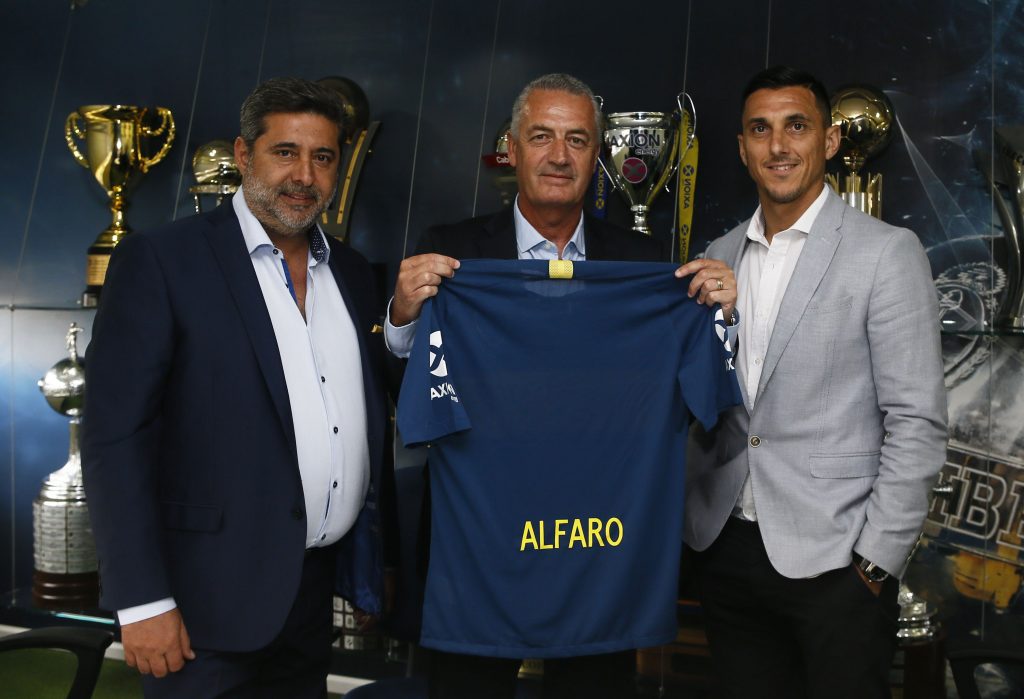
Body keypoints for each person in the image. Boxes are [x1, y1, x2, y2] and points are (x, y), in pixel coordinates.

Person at [386, 73, 737, 699]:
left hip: (600, 547)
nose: (558, 155)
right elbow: (404, 388)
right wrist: (403, 318)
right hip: (480, 545)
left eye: (577, 140)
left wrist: (717, 318)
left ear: (596, 156)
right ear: (512, 148)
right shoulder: (452, 253)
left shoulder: (646, 265)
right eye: (541, 136)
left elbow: (689, 402)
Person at [81, 77, 393, 698]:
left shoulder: (353, 273)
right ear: (245, 155)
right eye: (285, 152)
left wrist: (372, 562)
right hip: (200, 608)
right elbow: (115, 437)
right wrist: (141, 599)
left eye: (322, 157)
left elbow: (363, 419)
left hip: (310, 599)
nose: (304, 175)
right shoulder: (162, 261)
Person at [684, 65, 948, 699]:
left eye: (796, 126)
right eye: (760, 129)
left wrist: (875, 562)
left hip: (838, 562)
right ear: (742, 148)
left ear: (828, 141)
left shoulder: (887, 252)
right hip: (727, 551)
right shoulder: (716, 254)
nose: (778, 145)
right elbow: (702, 400)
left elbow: (916, 420)